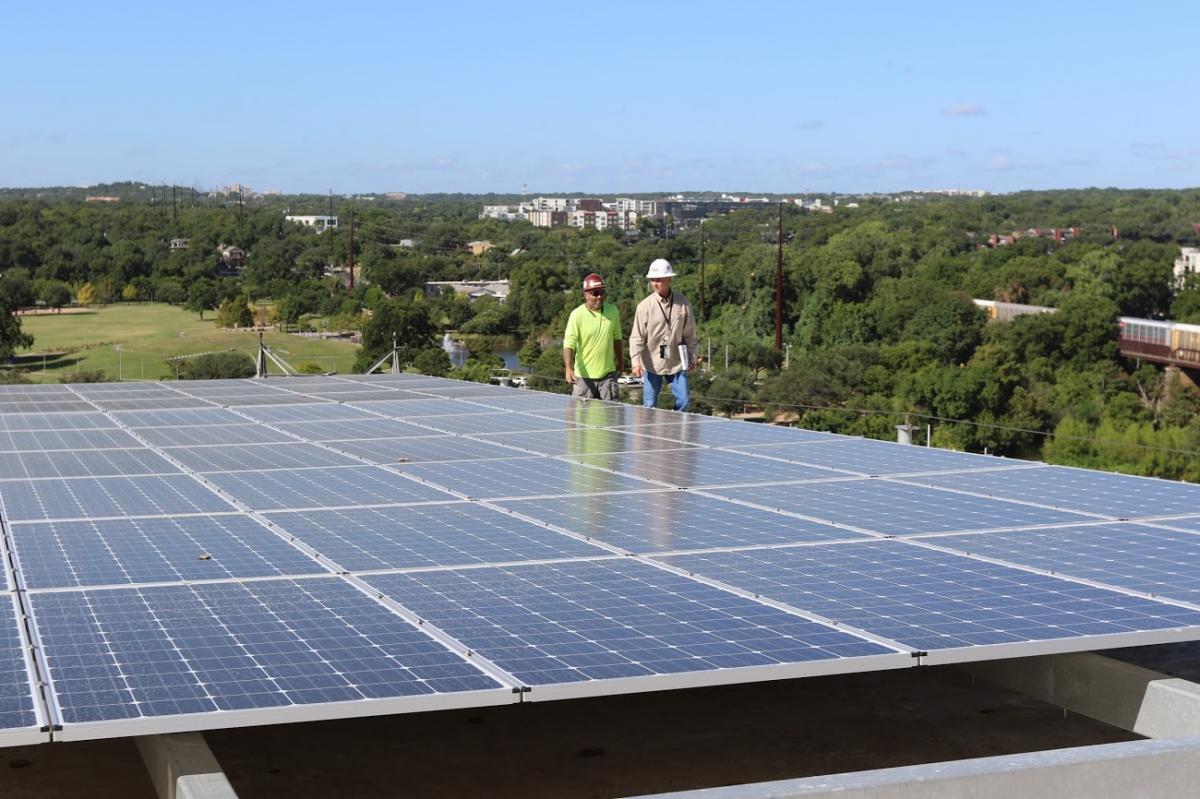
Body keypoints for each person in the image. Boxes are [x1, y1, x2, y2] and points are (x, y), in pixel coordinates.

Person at [629, 258, 699, 411]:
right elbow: (637, 337)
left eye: (659, 280)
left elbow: (690, 333)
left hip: (676, 362)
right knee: (649, 406)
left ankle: (675, 429)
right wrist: (636, 362)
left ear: (669, 279)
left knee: (685, 401)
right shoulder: (644, 307)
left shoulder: (682, 302)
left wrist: (692, 356)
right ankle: (650, 432)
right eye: (653, 280)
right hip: (652, 363)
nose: (656, 283)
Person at [563, 273, 622, 400]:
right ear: (586, 295)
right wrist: (568, 367)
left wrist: (621, 362)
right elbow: (569, 344)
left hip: (608, 376)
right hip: (584, 378)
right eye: (595, 293)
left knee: (611, 416)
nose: (599, 296)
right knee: (582, 417)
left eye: (601, 292)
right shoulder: (576, 315)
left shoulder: (613, 311)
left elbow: (617, 338)